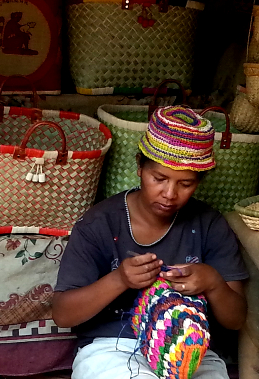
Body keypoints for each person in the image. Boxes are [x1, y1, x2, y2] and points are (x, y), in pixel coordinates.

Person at [52, 106, 248, 379]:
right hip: (115, 348)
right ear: (139, 167)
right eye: (159, 178)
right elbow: (62, 314)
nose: (169, 193)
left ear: (199, 182)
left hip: (191, 352)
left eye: (186, 183)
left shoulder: (209, 224)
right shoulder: (101, 223)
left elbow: (236, 319)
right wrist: (119, 279)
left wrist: (213, 283)